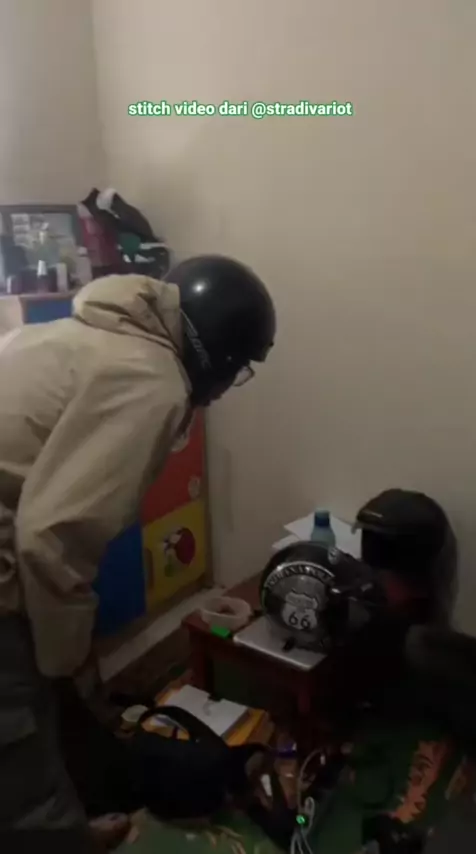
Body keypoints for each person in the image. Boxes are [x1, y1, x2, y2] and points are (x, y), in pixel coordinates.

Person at [0, 255, 276, 850]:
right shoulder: (153, 381)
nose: (228, 385)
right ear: (215, 354)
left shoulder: (86, 332)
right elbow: (51, 537)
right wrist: (67, 662)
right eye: (237, 368)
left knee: (41, 713)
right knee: (17, 736)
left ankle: (70, 820)